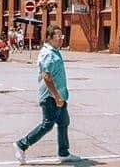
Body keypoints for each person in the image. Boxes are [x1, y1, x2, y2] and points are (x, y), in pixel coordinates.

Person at [13, 25, 79, 163]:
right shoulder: (48, 54)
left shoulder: (55, 51)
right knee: (47, 124)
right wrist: (57, 97)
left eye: (62, 36)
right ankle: (22, 144)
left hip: (60, 95)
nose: (61, 39)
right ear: (49, 38)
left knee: (63, 122)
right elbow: (46, 77)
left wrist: (61, 96)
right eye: (58, 36)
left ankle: (64, 153)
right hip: (51, 97)